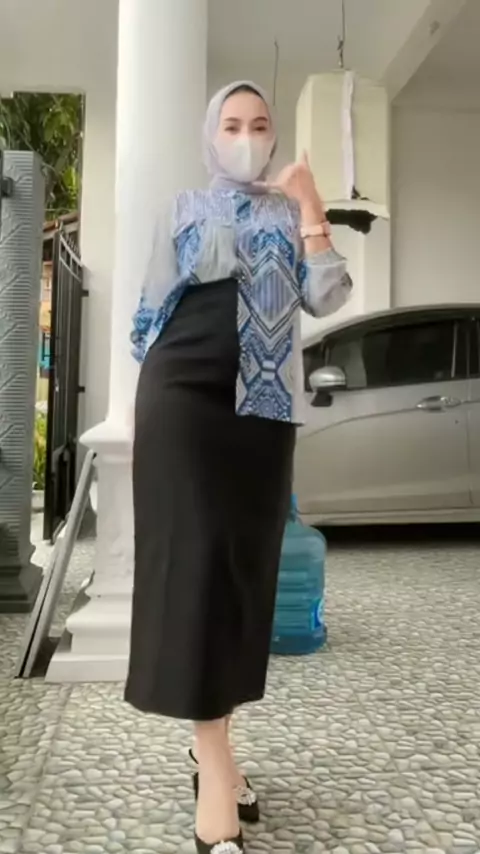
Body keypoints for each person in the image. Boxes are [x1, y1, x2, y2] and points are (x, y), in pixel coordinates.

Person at [124, 81, 352, 854]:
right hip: (183, 393)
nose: (246, 136)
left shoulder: (290, 213)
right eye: (231, 124)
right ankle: (216, 777)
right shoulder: (184, 207)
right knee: (193, 568)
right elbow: (149, 313)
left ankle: (211, 752)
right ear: (211, 134)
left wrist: (310, 204)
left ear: (274, 136)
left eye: (259, 124)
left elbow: (327, 295)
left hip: (261, 409)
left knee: (238, 575)